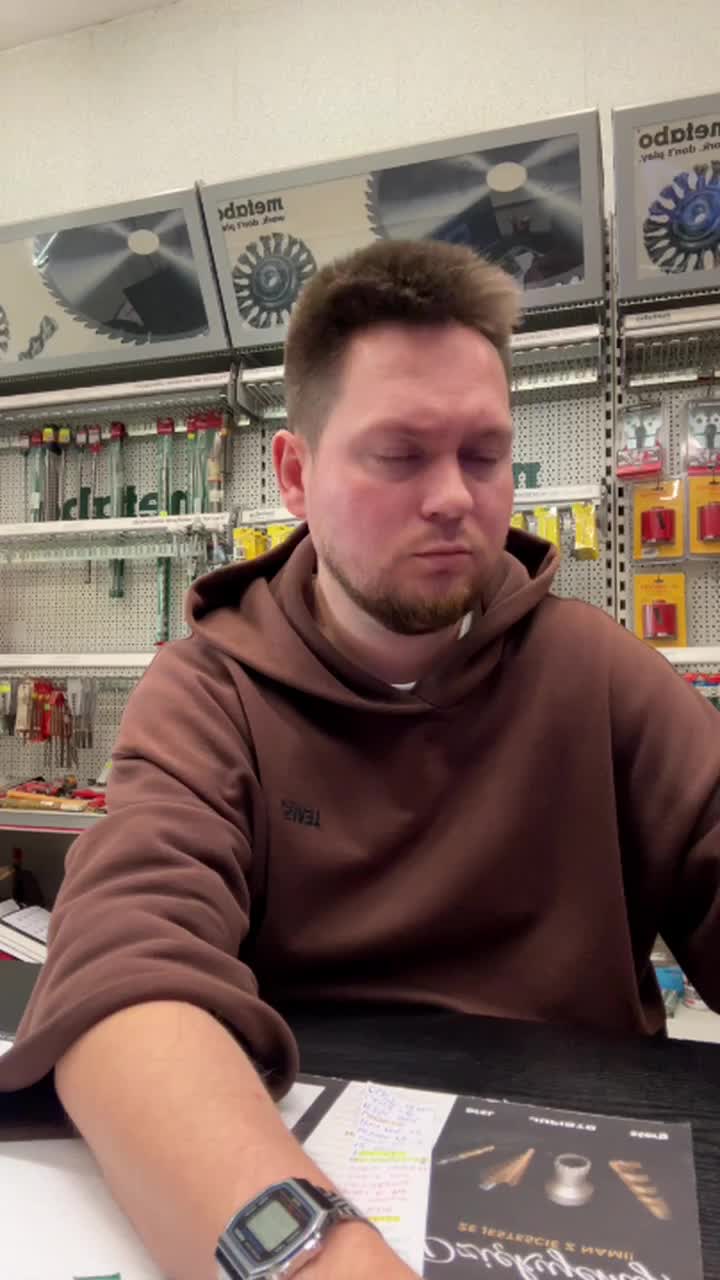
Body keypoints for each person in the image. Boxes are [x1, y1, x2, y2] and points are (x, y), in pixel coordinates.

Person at [1, 238, 719, 1280]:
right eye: (400, 455)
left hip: (590, 1186)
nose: (454, 497)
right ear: (295, 474)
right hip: (303, 1174)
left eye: (484, 455)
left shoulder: (597, 674)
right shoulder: (211, 693)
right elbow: (120, 982)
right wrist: (314, 1258)